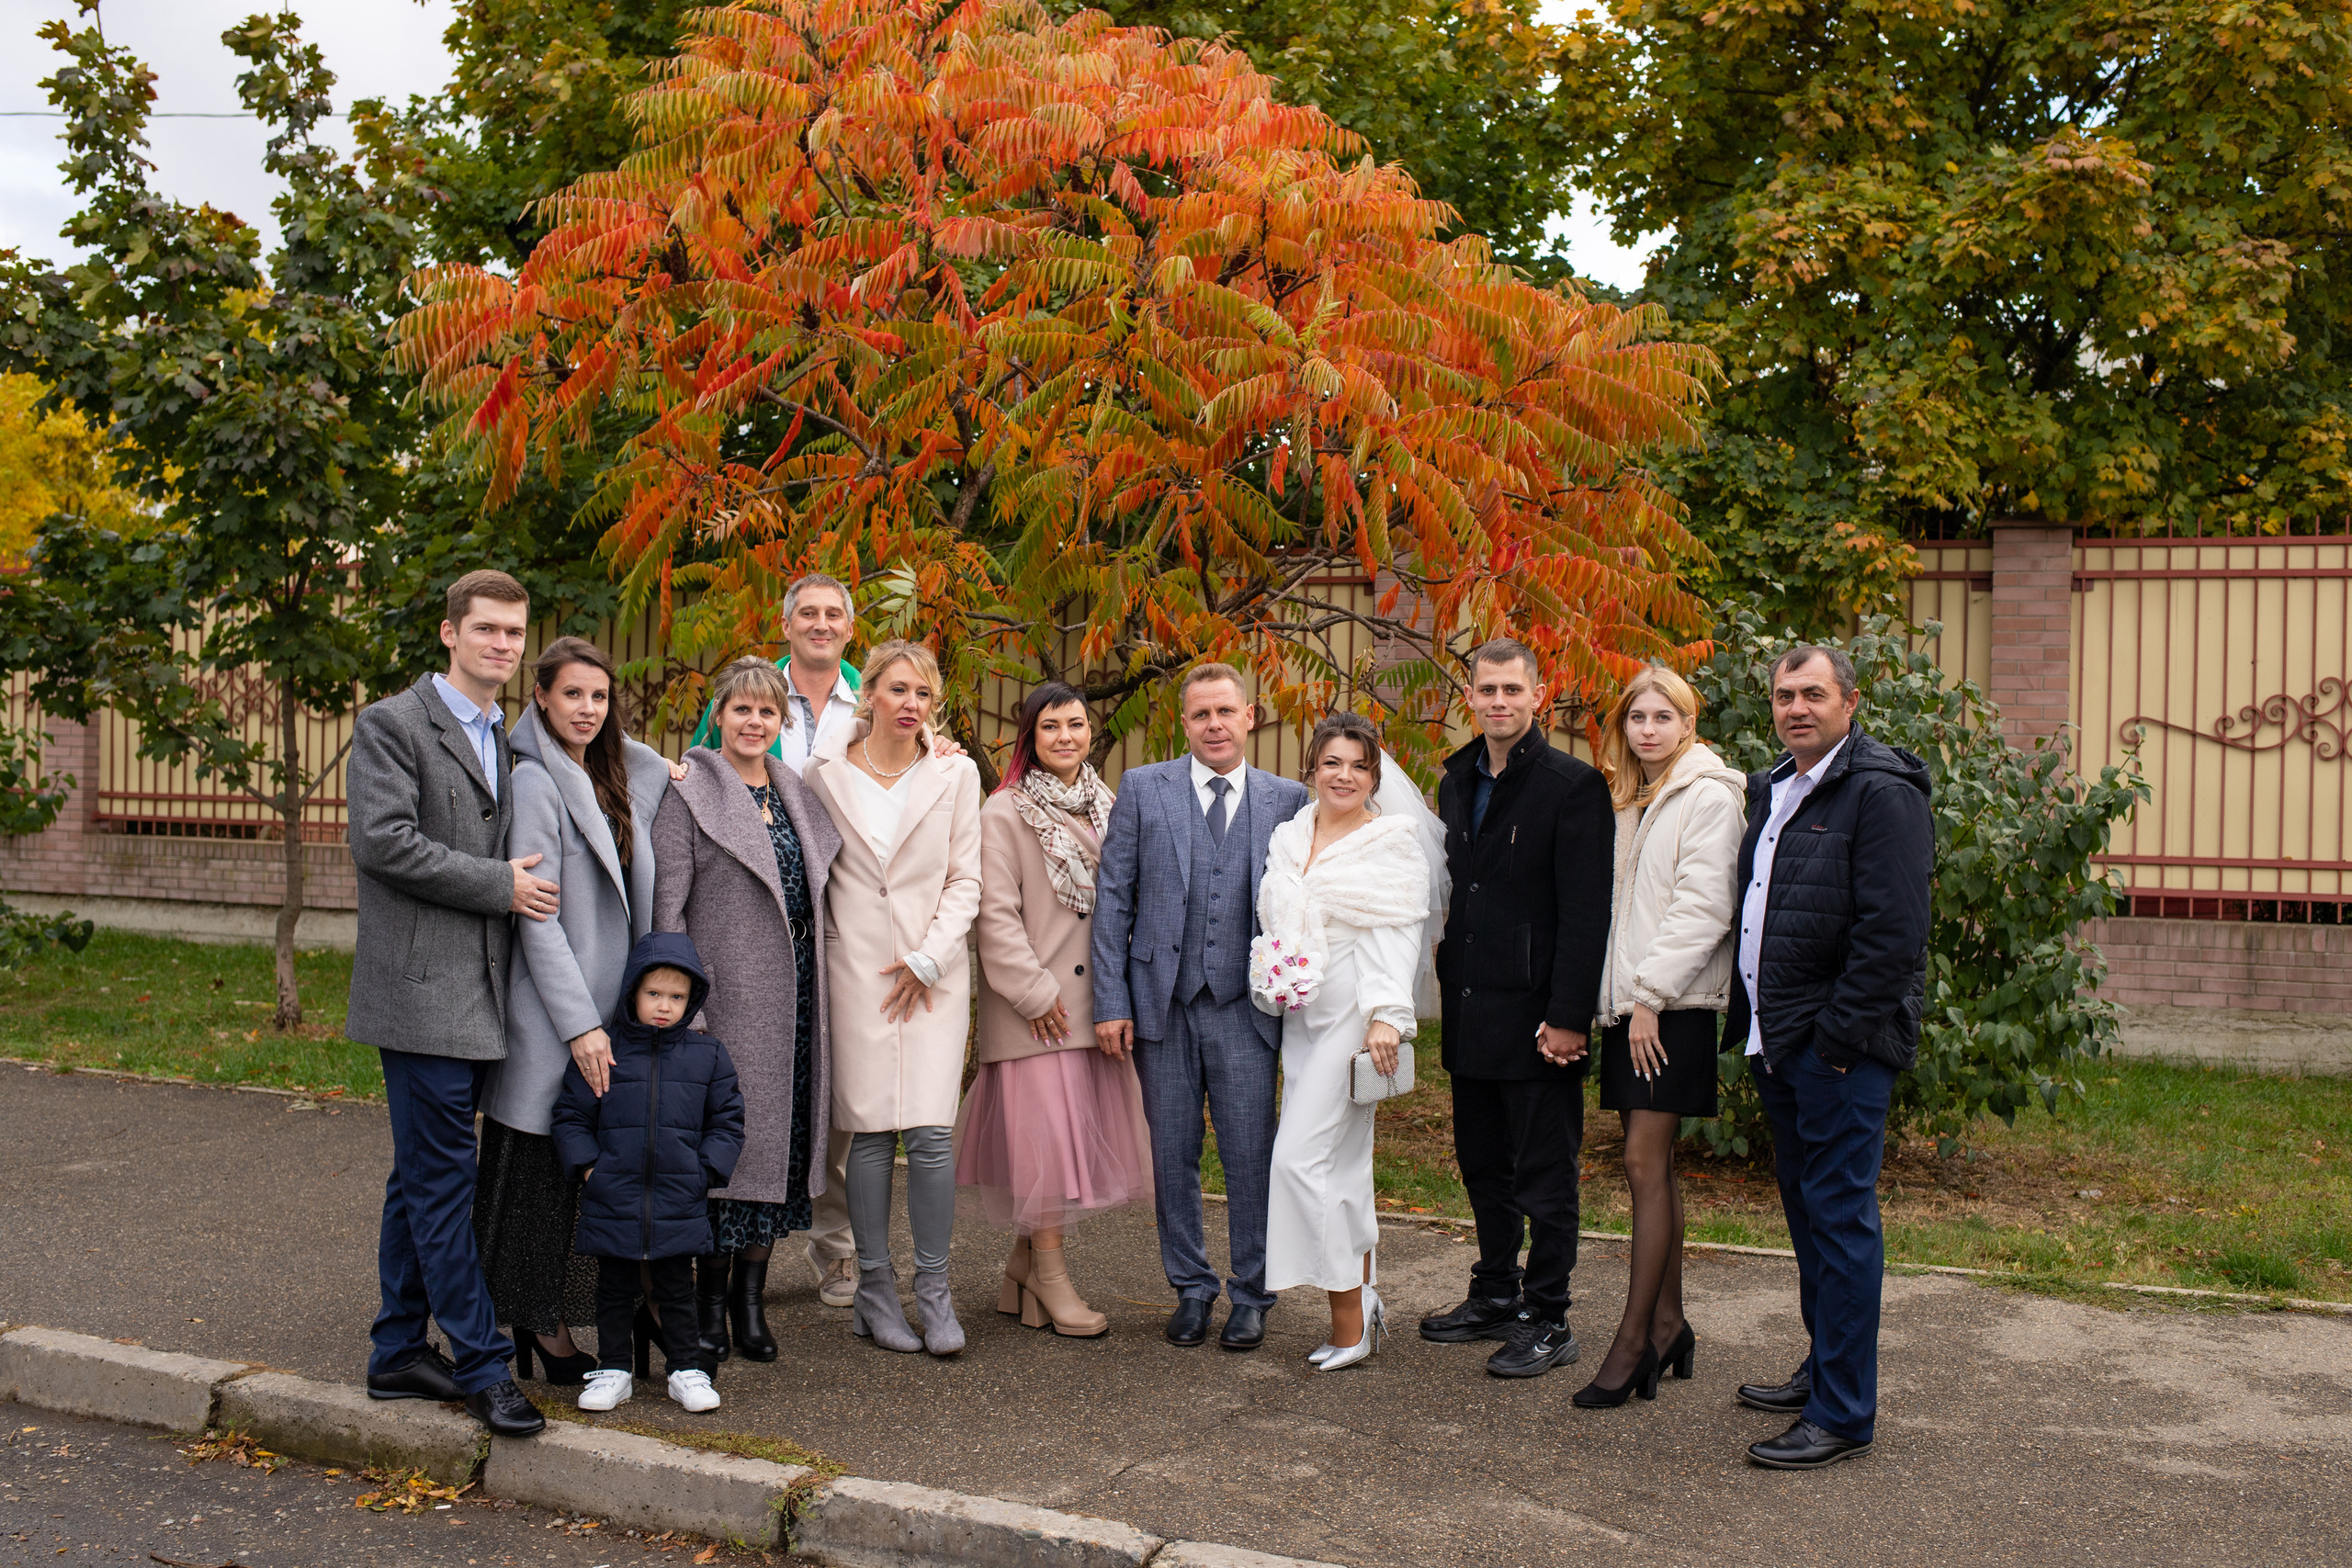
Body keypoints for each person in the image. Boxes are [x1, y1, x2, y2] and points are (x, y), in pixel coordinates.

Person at [345, 568, 551, 1438]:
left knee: (419, 1178)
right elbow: (385, 843)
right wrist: (499, 885)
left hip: (483, 997)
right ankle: (481, 1363)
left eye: (514, 633)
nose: (503, 645)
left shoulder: (507, 734)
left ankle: (397, 1350)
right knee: (441, 1183)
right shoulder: (394, 724)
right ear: (449, 634)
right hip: (422, 995)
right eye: (488, 631)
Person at [1728, 646, 1932, 1470]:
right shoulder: (1779, 785)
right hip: (1782, 1043)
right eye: (1785, 695)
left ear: (1852, 701)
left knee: (1842, 1222)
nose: (1797, 707)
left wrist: (1837, 1042)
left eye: (1814, 693)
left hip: (1837, 1050)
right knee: (1812, 1220)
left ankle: (1843, 1411)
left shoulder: (1881, 793)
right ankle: (1825, 1370)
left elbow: (1893, 935)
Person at [1092, 663, 1310, 1352]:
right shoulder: (1143, 787)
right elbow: (1114, 900)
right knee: (1172, 1153)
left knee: (1252, 1155)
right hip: (1163, 1004)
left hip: (1247, 1008)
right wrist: (1111, 1000)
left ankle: (1252, 1292)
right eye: (1200, 715)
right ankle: (1190, 1286)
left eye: (1226, 711)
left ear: (1250, 717)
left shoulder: (1287, 798)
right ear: (1183, 723)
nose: (1214, 724)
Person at [477, 637, 675, 1387]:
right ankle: (538, 1325)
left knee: (585, 1172)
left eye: (599, 696)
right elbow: (538, 918)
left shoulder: (619, 771)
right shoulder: (535, 783)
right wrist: (579, 1025)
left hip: (612, 1003)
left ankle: (554, 1317)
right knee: (536, 1171)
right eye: (572, 696)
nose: (587, 709)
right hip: (558, 1013)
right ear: (541, 698)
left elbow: (662, 774)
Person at [1419, 637, 1612, 1378]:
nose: (1499, 702)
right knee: (1483, 1166)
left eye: (1512, 690)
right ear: (1468, 697)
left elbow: (1585, 912)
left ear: (1540, 697)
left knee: (1544, 1174)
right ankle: (1495, 1290)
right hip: (1471, 1010)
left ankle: (1548, 1314)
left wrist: (1568, 1016)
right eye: (1486, 690)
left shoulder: (1573, 785)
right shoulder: (1457, 777)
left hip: (1539, 1020)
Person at [652, 657, 843, 1366]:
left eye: (768, 711)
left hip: (794, 1005)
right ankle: (707, 1307)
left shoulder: (795, 791)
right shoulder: (690, 790)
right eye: (741, 709)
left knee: (776, 1157)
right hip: (724, 1001)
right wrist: (682, 1004)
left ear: (781, 721)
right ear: (719, 715)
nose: (755, 721)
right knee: (724, 1160)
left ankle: (750, 1305)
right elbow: (667, 906)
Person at [804, 639, 984, 1357]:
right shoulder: (823, 775)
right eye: (899, 689)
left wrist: (930, 958)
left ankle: (933, 1292)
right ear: (869, 693)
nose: (912, 704)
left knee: (933, 1135)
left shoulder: (955, 772)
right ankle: (875, 1291)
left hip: (933, 974)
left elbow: (965, 879)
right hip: (857, 974)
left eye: (924, 694)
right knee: (872, 1132)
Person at [689, 575, 863, 1312]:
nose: (821, 625)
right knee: (753, 1111)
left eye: (834, 614)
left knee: (831, 1109)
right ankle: (728, 1282)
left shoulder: (870, 693)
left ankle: (838, 1253)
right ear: (786, 622)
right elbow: (695, 776)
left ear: (850, 629)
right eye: (808, 613)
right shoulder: (753, 692)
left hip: (838, 920)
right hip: (742, 938)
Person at [960, 682, 1153, 1337]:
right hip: (1036, 1009)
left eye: (1076, 723)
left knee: (1065, 1150)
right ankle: (1052, 1278)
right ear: (1030, 738)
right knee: (1048, 1152)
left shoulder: (1109, 805)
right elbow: (995, 914)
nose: (1066, 736)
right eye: (1051, 726)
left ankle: (1022, 1266)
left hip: (1094, 1002)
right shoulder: (1005, 811)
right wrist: (1035, 992)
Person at [1578, 666, 1747, 1408]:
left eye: (1662, 716)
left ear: (1688, 724)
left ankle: (1634, 1339)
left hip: (1666, 1008)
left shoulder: (1707, 796)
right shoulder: (1634, 798)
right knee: (1654, 1167)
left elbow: (1705, 906)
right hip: (1632, 1006)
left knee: (1644, 1161)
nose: (1648, 728)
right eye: (1637, 716)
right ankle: (1671, 1322)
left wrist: (1648, 997)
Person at [1257, 714, 1444, 1372]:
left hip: (1354, 1021)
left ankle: (1348, 1317)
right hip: (1301, 1020)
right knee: (1342, 1166)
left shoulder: (1390, 843)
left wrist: (1388, 1017)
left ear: (1375, 774)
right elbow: (1280, 919)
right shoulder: (1289, 834)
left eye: (1358, 765)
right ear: (1313, 767)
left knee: (1297, 1160)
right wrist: (1274, 973)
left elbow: (1396, 937)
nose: (1344, 775)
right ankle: (1362, 1296)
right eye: (1332, 762)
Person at [551, 932, 745, 1416]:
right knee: (614, 1289)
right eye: (653, 994)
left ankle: (685, 1369)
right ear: (633, 993)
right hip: (612, 1194)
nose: (664, 1006)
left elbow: (728, 1121)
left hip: (679, 1197)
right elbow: (571, 1116)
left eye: (676, 997)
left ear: (692, 999)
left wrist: (704, 1172)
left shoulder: (708, 1056)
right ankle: (614, 1371)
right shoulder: (604, 1052)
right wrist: (590, 1167)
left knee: (677, 1288)